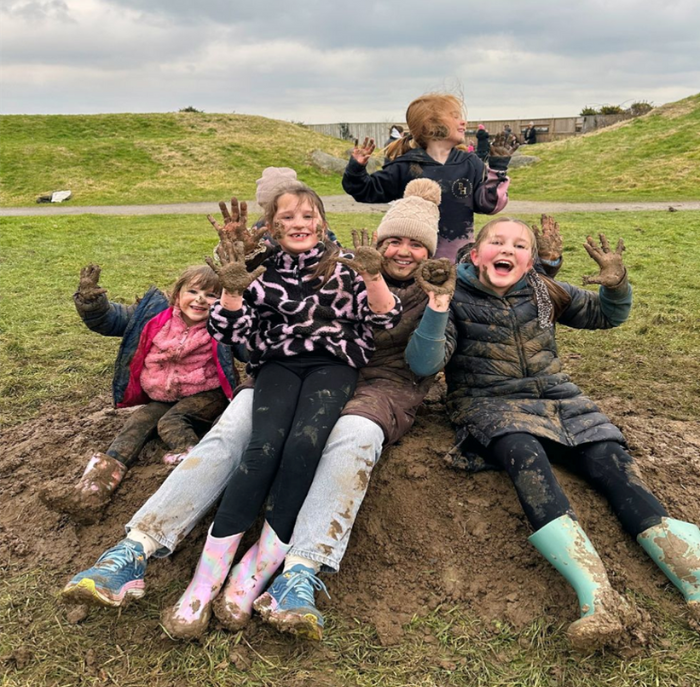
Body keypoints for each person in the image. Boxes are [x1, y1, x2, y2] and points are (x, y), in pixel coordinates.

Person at [59, 195, 563, 641]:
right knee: (232, 431)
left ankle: (300, 569)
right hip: (291, 368)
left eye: (415, 243)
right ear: (377, 242)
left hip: (382, 383)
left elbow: (440, 346)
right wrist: (248, 246)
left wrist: (439, 303)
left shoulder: (435, 284)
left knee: (353, 438)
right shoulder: (335, 262)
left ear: (428, 251)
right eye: (393, 241)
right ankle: (134, 549)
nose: (402, 252)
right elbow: (286, 252)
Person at [405, 218, 700, 651]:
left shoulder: (543, 290)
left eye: (520, 245)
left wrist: (617, 285)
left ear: (529, 259)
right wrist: (437, 306)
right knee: (525, 456)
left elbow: (605, 315)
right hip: (490, 403)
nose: (508, 250)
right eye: (498, 242)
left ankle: (692, 579)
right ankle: (598, 598)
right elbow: (424, 364)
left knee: (614, 467)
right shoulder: (456, 296)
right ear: (475, 251)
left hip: (564, 402)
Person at [157, 181, 401, 639]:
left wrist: (372, 276)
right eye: (287, 217)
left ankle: (256, 567)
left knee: (304, 446)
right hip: (278, 365)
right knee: (262, 447)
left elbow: (384, 318)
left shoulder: (345, 266)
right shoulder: (262, 271)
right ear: (271, 227)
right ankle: (205, 579)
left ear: (321, 222)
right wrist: (231, 290)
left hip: (333, 365)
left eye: (308, 216)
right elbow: (230, 331)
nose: (299, 224)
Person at [40, 265, 239, 522]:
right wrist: (92, 302)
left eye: (212, 295)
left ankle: (192, 461)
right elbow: (111, 319)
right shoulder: (153, 316)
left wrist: (236, 311)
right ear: (177, 294)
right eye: (193, 290)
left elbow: (246, 347)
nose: (201, 299)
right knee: (134, 426)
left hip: (207, 395)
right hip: (165, 397)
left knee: (172, 422)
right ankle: (90, 492)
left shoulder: (222, 324)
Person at [342, 93, 510, 263]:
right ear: (431, 124)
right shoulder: (406, 166)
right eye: (455, 116)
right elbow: (366, 190)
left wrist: (498, 169)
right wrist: (356, 168)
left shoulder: (470, 163)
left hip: (458, 261)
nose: (463, 122)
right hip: (412, 262)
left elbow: (487, 204)